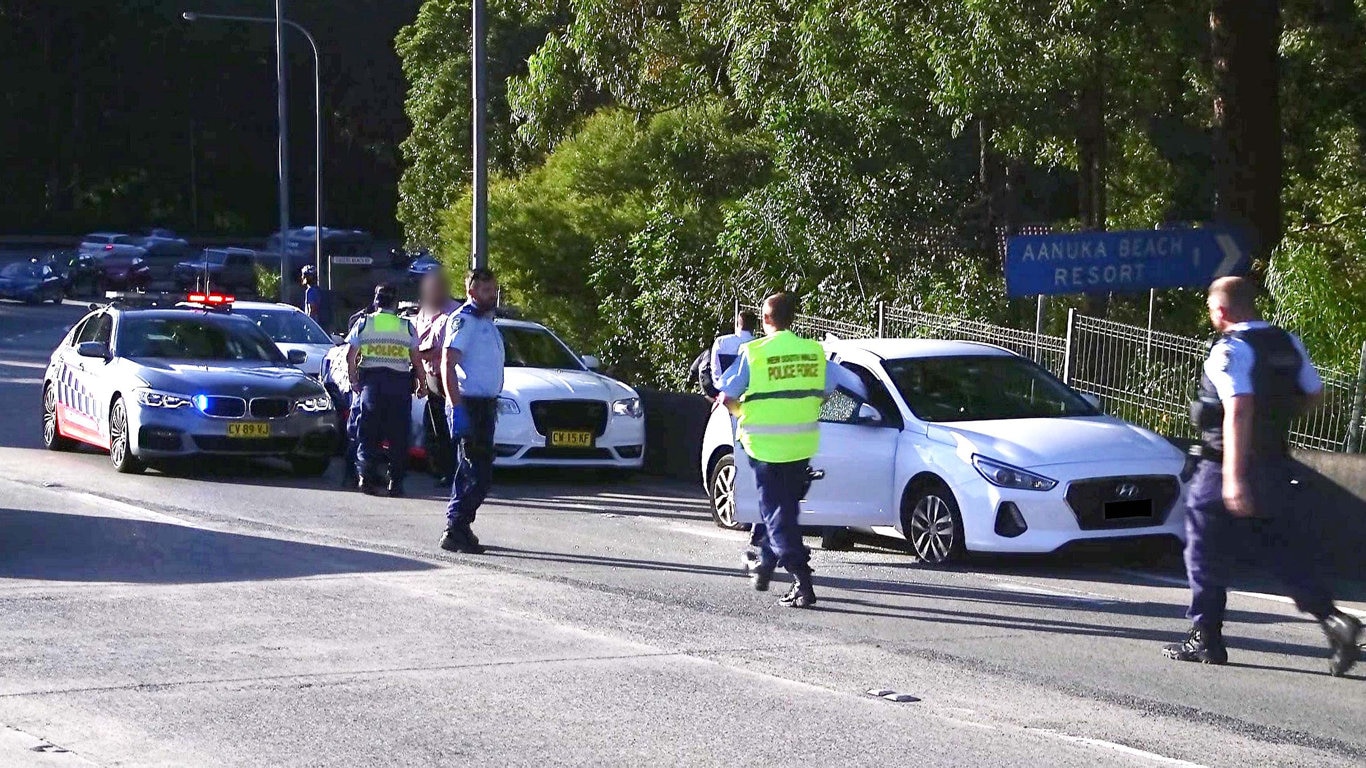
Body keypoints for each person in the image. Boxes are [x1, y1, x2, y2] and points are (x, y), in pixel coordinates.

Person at [1163, 276, 1361, 676]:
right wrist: (1278, 420)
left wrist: (1234, 477)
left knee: (1202, 550)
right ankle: (1334, 620)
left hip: (1224, 466)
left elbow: (1239, 409)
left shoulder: (1229, 351)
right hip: (1275, 465)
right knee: (1279, 551)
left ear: (1220, 311)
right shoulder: (1287, 343)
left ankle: (1206, 637)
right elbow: (1315, 394)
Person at [717, 292, 866, 608]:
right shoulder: (812, 353)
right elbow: (844, 390)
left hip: (764, 449)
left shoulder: (754, 353)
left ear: (766, 319)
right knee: (781, 511)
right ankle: (765, 564)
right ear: (793, 318)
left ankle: (803, 581)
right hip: (801, 447)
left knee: (777, 516)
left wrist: (744, 413)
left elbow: (725, 396)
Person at [440, 268, 506, 554]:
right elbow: (447, 364)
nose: (492, 295)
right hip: (469, 405)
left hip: (485, 406)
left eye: (494, 290)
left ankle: (461, 526)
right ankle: (455, 527)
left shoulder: (487, 322)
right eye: (486, 291)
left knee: (478, 471)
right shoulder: (464, 321)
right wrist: (457, 408)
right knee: (473, 471)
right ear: (471, 291)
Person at [346, 284, 426, 497]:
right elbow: (416, 361)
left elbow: (350, 355)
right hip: (398, 385)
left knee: (368, 432)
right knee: (398, 436)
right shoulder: (406, 327)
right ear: (395, 303)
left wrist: (353, 379)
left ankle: (366, 478)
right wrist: (422, 384)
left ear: (376, 301)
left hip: (371, 384)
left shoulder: (364, 323)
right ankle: (395, 483)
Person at [413, 272, 462, 487]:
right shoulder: (425, 311)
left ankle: (452, 472)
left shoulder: (454, 313)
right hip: (429, 375)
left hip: (448, 376)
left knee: (447, 427)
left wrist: (417, 355)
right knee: (434, 427)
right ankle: (439, 467)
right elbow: (415, 337)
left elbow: (442, 350)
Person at [710, 310, 758, 393]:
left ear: (736, 324)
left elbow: (716, 369)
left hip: (724, 391)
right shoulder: (758, 344)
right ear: (755, 326)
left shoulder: (721, 342)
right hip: (750, 392)